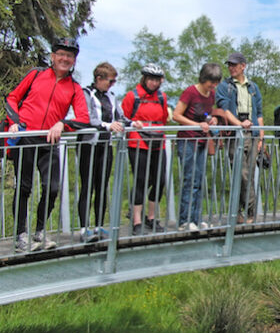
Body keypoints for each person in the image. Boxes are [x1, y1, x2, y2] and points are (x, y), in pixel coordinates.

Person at [6, 37, 90, 252]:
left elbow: (83, 118)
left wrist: (63, 124)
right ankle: (20, 235)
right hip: (26, 137)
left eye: (69, 56)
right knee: (24, 187)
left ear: (73, 61)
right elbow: (11, 98)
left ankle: (40, 232)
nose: (65, 58)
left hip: (49, 141)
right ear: (53, 57)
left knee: (52, 188)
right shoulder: (36, 75)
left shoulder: (74, 87)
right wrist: (15, 122)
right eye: (61, 54)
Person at [78, 62, 139, 243]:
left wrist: (132, 123)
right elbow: (88, 118)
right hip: (89, 145)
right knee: (87, 187)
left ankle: (98, 225)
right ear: (99, 79)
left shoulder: (111, 96)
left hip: (105, 146)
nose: (112, 85)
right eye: (110, 81)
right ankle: (84, 229)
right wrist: (107, 125)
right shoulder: (86, 94)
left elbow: (119, 116)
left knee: (102, 186)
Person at [215, 52, 264, 223]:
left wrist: (261, 137)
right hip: (235, 134)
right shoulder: (224, 86)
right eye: (229, 65)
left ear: (243, 66)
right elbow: (224, 110)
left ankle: (239, 212)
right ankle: (249, 212)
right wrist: (238, 123)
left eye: (234, 65)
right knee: (240, 173)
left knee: (249, 173)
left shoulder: (253, 87)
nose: (231, 68)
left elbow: (259, 113)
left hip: (252, 133)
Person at [172, 63, 221, 231]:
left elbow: (205, 114)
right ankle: (184, 220)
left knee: (199, 181)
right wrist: (196, 125)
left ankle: (196, 218)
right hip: (187, 141)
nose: (213, 86)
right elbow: (176, 115)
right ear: (203, 78)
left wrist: (210, 120)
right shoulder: (190, 92)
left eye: (215, 82)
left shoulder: (211, 95)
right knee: (189, 180)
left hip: (201, 141)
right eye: (210, 82)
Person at [122, 63, 169, 235]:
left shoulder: (162, 97)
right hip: (138, 142)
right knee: (141, 180)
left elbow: (164, 118)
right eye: (151, 79)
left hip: (158, 141)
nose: (153, 83)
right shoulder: (132, 96)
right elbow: (124, 117)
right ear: (144, 79)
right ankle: (136, 221)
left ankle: (151, 217)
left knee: (159, 180)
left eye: (156, 80)